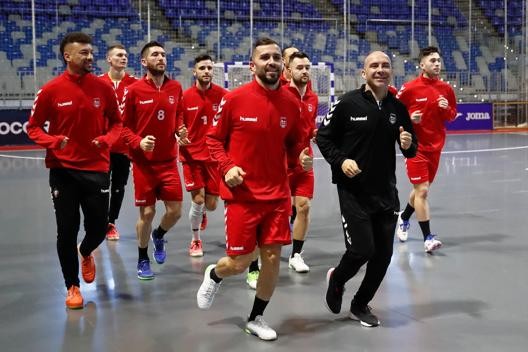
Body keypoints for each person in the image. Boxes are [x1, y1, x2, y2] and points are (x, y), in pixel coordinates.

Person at [196, 37, 313, 341]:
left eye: (276, 57)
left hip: (277, 195)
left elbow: (294, 144)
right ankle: (215, 274)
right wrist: (227, 167)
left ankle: (256, 317)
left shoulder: (291, 103)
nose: (271, 62)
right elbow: (212, 141)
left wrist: (300, 158)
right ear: (252, 65)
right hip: (242, 196)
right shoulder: (235, 99)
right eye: (265, 58)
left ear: (282, 65)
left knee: (272, 258)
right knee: (239, 262)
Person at [317, 51, 417, 327]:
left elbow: (411, 148)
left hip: (386, 191)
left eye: (385, 65)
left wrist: (409, 145)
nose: (380, 69)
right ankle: (337, 278)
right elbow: (323, 138)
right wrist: (341, 161)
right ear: (364, 73)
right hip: (353, 190)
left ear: (391, 72)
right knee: (362, 249)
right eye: (374, 65)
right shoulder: (347, 104)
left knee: (384, 255)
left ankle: (360, 304)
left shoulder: (398, 108)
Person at [27, 32, 122, 309]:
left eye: (91, 52)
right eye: (84, 53)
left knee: (98, 228)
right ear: (67, 56)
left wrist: (106, 140)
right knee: (66, 231)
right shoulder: (50, 91)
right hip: (63, 171)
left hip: (97, 169)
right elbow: (33, 127)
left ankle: (86, 251)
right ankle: (72, 286)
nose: (90, 57)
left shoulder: (104, 89)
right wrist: (53, 141)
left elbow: (117, 123)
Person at [121, 41, 187, 280]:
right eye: (155, 55)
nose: (161, 58)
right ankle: (142, 257)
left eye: (163, 54)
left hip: (169, 161)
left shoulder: (176, 87)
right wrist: (138, 142)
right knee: (146, 214)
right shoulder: (134, 90)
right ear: (143, 61)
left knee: (176, 212)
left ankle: (158, 235)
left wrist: (180, 129)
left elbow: (178, 112)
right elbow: (123, 127)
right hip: (144, 164)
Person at [395, 46, 457, 253]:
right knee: (422, 191)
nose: (437, 64)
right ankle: (428, 238)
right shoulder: (410, 88)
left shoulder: (446, 89)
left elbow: (451, 116)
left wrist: (446, 108)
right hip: (414, 147)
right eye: (432, 61)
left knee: (419, 190)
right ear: (422, 65)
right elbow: (392, 113)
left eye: (438, 60)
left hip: (436, 147)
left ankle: (403, 218)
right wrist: (409, 119)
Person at [179, 54, 228, 257]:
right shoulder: (185, 97)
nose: (206, 71)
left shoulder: (224, 96)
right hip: (191, 155)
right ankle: (195, 240)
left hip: (214, 157)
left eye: (209, 68)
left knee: (211, 204)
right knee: (198, 200)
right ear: (195, 71)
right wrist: (178, 132)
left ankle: (202, 214)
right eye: (202, 68)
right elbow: (178, 122)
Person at [283, 51, 318, 273]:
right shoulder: (281, 96)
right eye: (299, 68)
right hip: (280, 164)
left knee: (303, 207)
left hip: (305, 163)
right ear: (288, 71)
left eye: (307, 67)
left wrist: (313, 133)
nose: (304, 71)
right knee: (279, 213)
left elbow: (307, 127)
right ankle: (255, 262)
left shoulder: (313, 98)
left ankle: (296, 255)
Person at [99, 44, 137, 241]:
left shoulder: (135, 84)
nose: (124, 58)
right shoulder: (97, 83)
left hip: (124, 148)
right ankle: (98, 223)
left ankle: (111, 222)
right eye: (119, 55)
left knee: (118, 187)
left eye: (126, 55)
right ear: (108, 59)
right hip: (102, 147)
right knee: (100, 187)